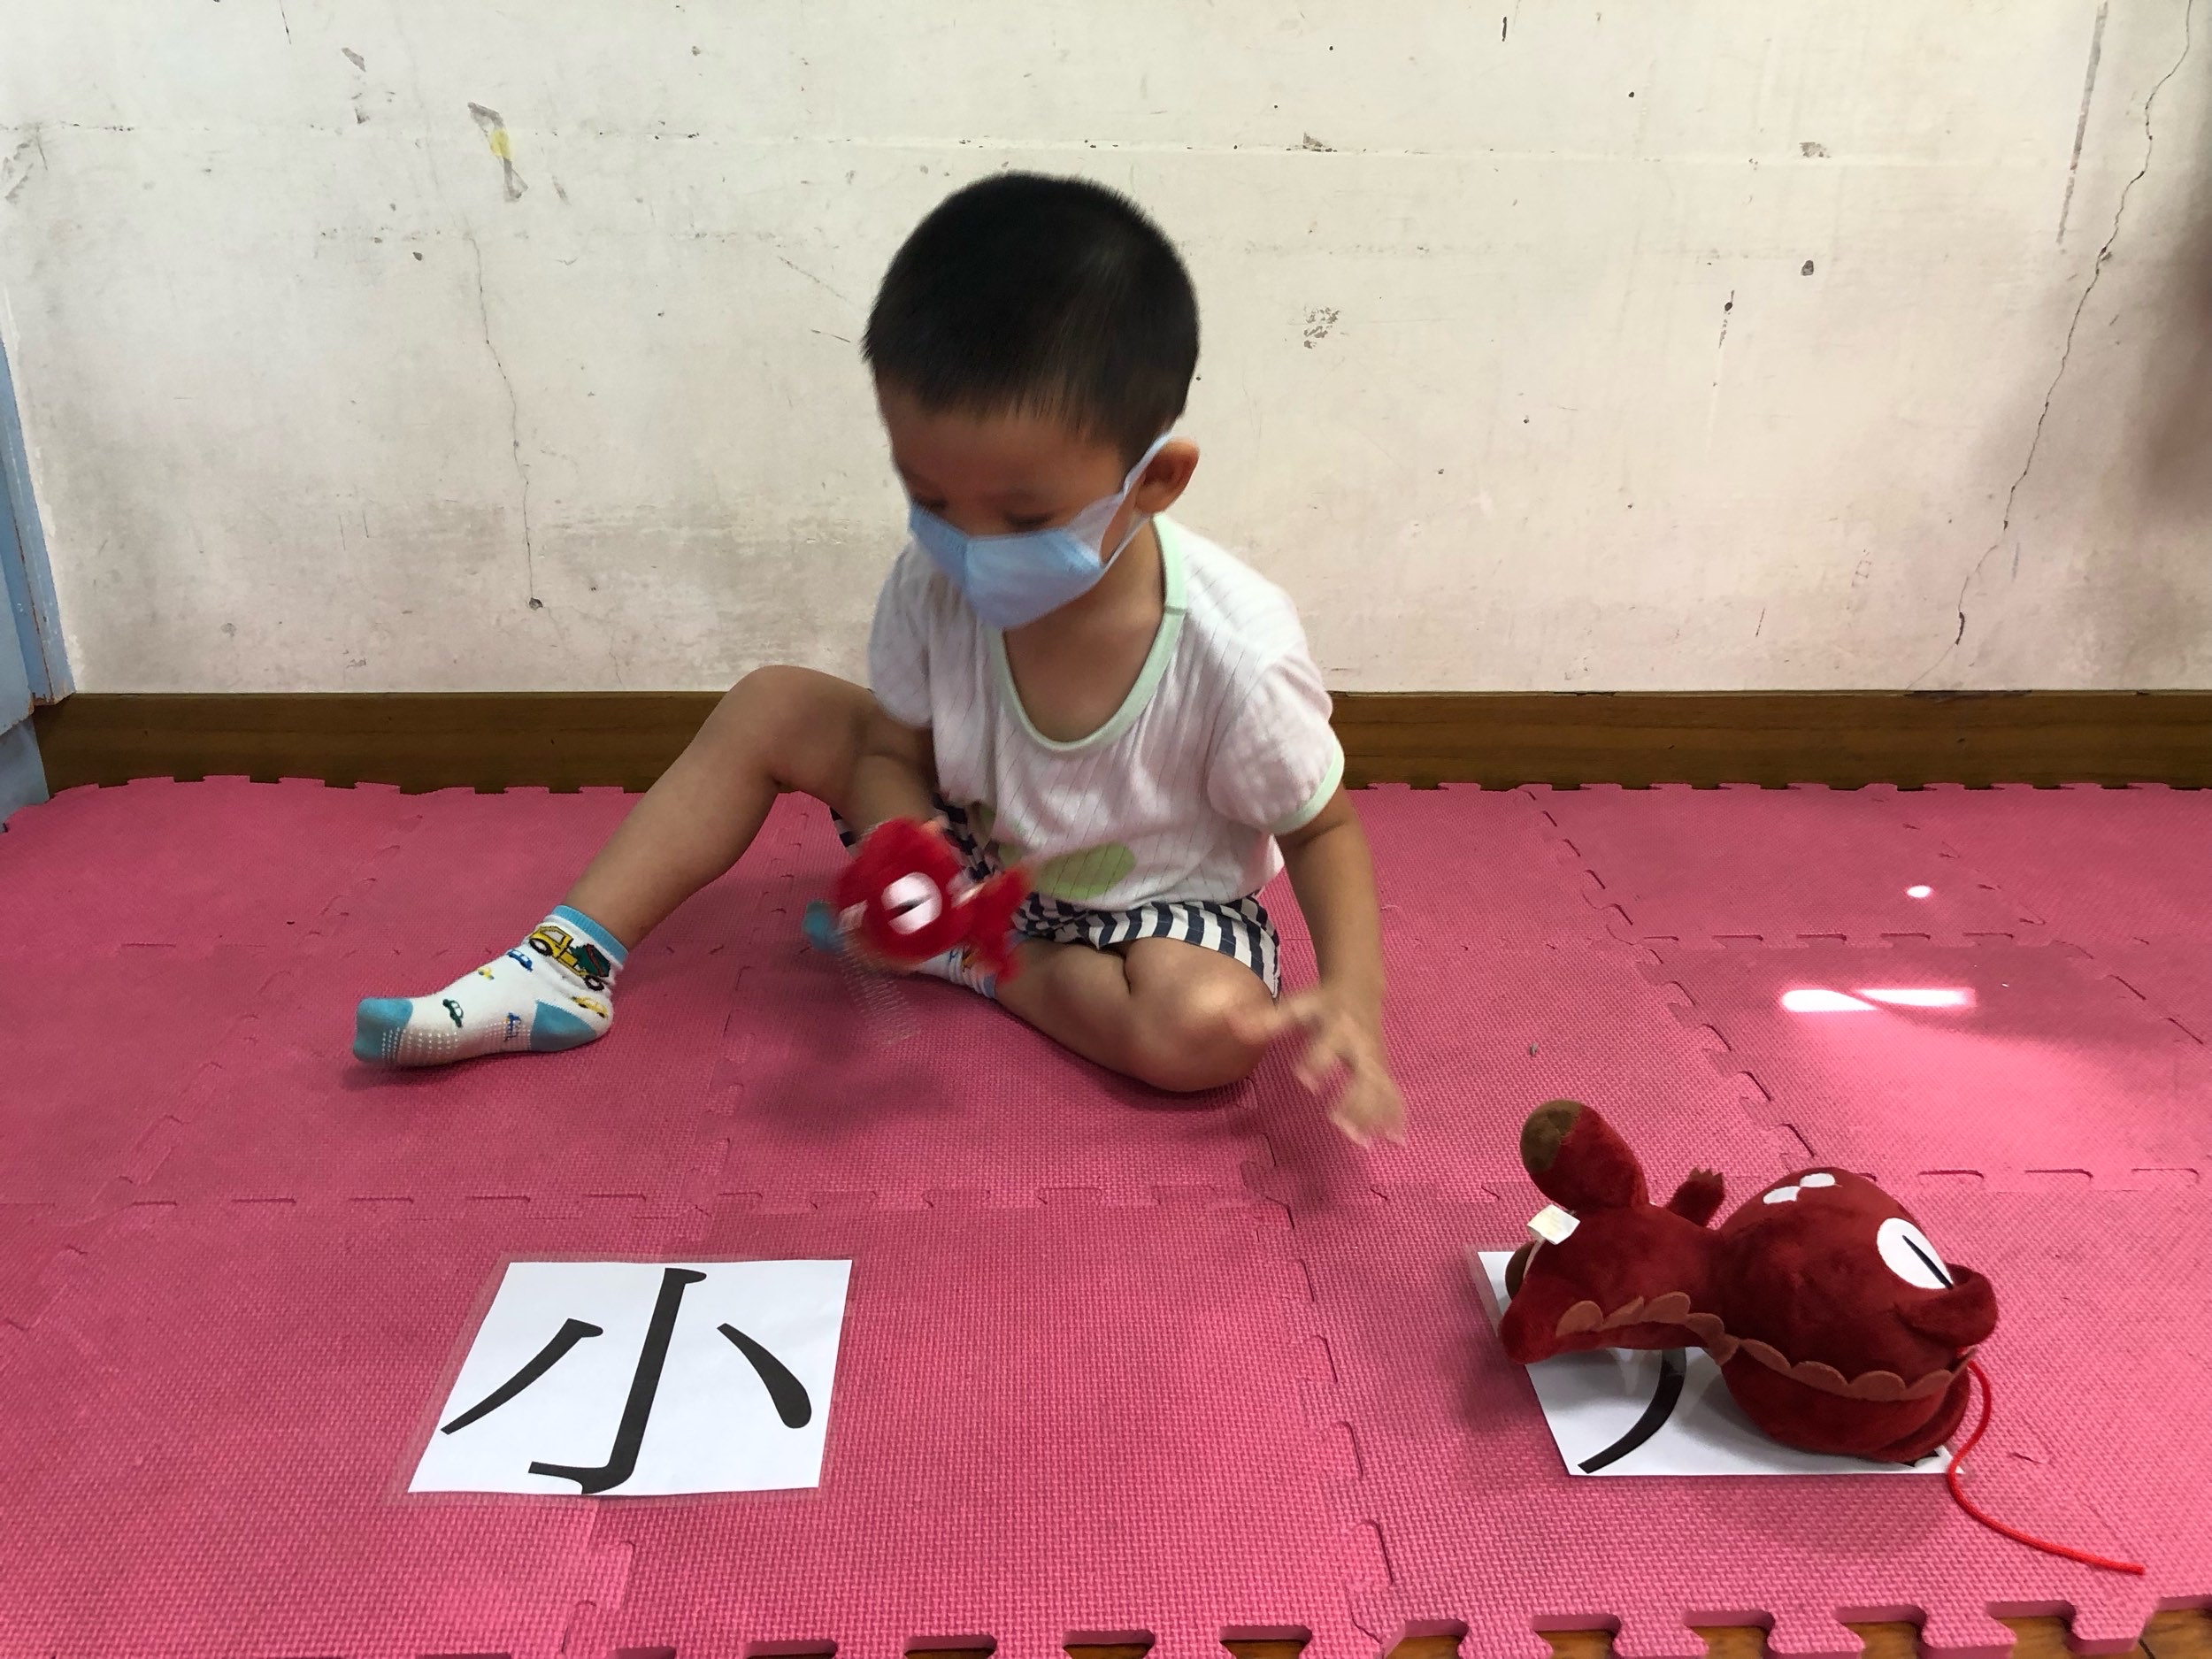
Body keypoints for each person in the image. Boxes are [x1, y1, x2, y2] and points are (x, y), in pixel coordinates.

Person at [354, 173, 1406, 1147]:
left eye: (1024, 516)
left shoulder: (1235, 649)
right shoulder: (932, 577)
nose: (969, 547)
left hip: (1153, 906)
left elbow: (1321, 829)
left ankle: (983, 963)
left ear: (1156, 480)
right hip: (978, 847)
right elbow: (892, 752)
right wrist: (907, 847)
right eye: (930, 498)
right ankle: (565, 962)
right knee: (774, 702)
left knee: (1208, 1031)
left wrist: (1353, 999)